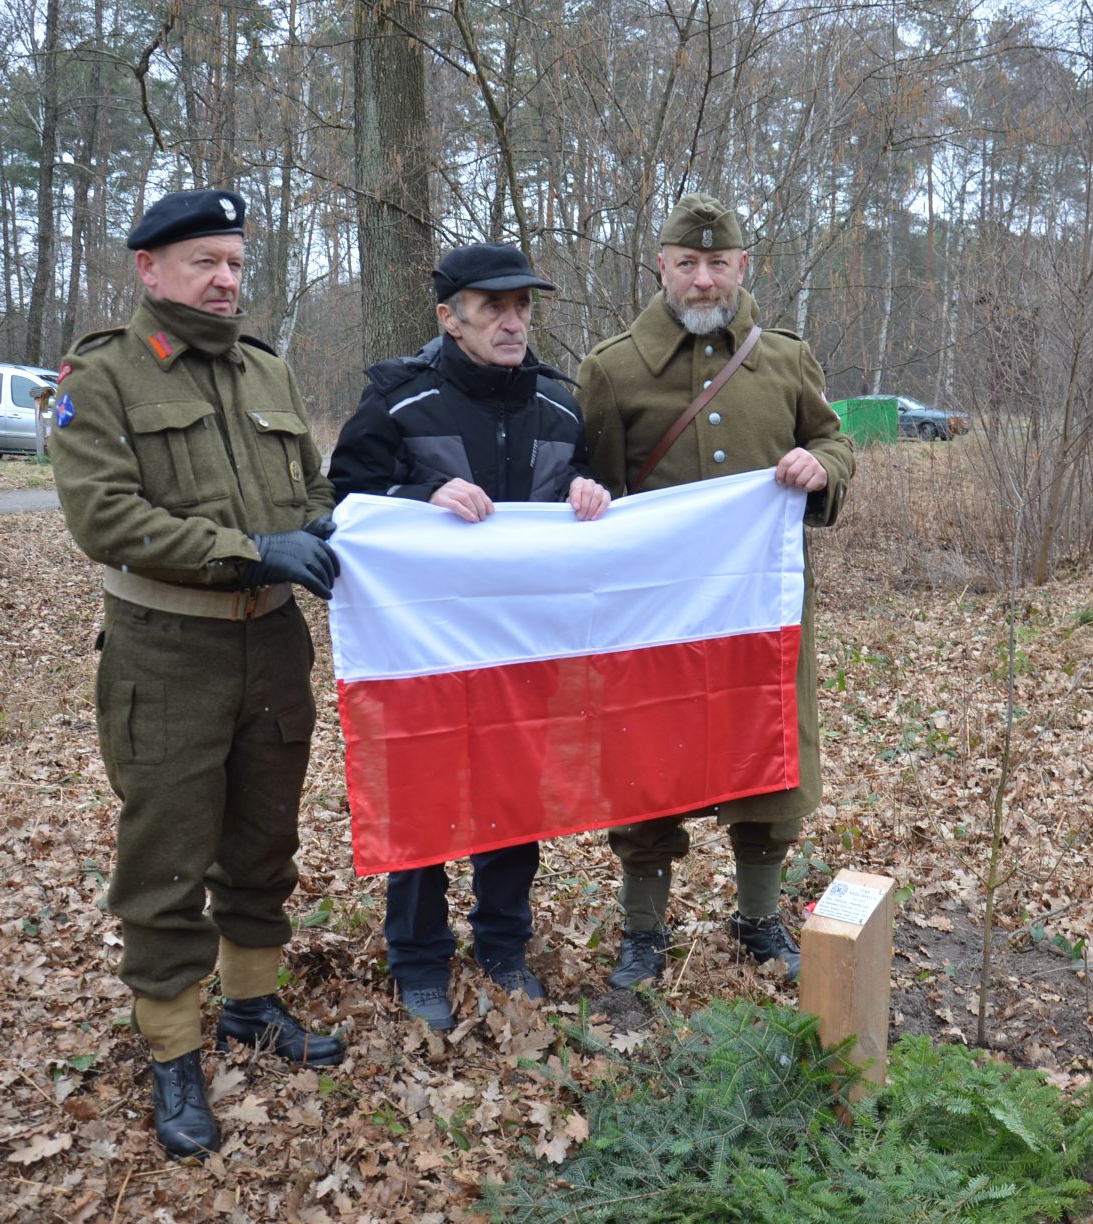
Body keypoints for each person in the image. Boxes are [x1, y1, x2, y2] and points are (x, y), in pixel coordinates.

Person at [49, 188, 345, 1160]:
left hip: (272, 648)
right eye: (202, 262)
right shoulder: (105, 375)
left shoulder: (265, 368)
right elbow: (108, 520)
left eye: (233, 262)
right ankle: (174, 1051)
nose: (225, 280)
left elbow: (308, 495)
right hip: (167, 654)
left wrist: (341, 527)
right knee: (169, 857)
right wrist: (250, 548)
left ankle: (253, 1007)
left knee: (262, 842)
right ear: (149, 269)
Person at [328, 242, 610, 1030]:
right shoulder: (398, 401)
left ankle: (503, 946)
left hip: (525, 653)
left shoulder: (560, 406)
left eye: (522, 306)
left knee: (515, 798)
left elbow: (579, 485)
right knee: (422, 798)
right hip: (422, 654)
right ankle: (417, 958)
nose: (512, 321)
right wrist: (419, 494)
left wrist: (591, 488)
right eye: (493, 307)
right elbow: (346, 497)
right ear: (450, 318)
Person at [576, 192, 855, 989]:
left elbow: (831, 437)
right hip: (654, 617)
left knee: (770, 756)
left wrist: (822, 468)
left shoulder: (787, 358)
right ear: (660, 266)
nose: (703, 281)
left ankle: (760, 917)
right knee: (647, 762)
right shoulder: (611, 369)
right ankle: (643, 931)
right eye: (688, 265)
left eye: (718, 265)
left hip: (763, 611)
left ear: (743, 268)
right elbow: (589, 485)